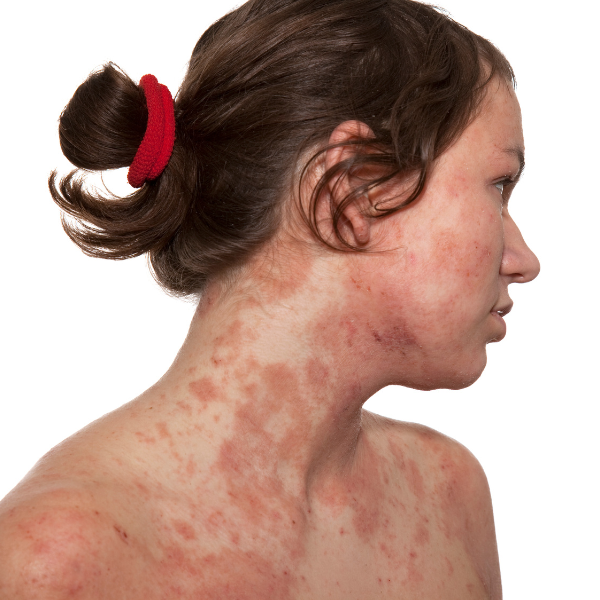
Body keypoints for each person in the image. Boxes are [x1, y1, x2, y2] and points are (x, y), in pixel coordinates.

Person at [0, 0, 540, 597]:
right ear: (349, 190)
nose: (524, 261)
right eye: (499, 185)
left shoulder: (447, 493)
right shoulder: (58, 559)